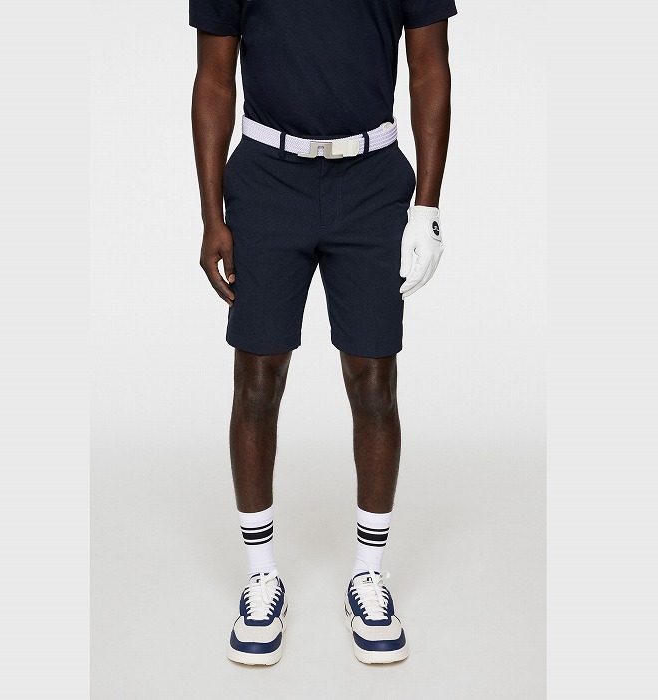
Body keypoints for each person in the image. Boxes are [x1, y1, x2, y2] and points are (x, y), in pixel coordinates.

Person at [189, 0, 456, 666]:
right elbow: (214, 78)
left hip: (371, 181)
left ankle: (369, 575)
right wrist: (211, 215)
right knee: (257, 379)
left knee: (373, 381)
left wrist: (427, 206)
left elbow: (429, 67)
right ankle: (261, 578)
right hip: (266, 180)